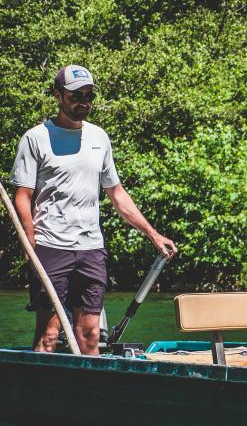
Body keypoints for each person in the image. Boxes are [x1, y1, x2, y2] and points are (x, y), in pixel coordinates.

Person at [10, 64, 176, 356]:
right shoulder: (36, 138)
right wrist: (29, 237)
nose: (83, 102)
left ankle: (89, 395)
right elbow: (22, 195)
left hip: (90, 248)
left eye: (88, 95)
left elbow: (116, 193)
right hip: (50, 246)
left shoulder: (99, 138)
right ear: (59, 96)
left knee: (89, 335)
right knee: (49, 334)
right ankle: (40, 395)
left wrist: (152, 233)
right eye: (76, 95)